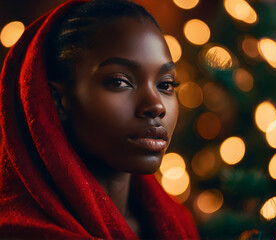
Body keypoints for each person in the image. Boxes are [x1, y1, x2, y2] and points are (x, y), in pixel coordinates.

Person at [0, 0, 200, 239]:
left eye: (165, 84)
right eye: (119, 82)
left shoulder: (181, 224)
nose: (156, 106)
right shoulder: (18, 231)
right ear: (57, 99)